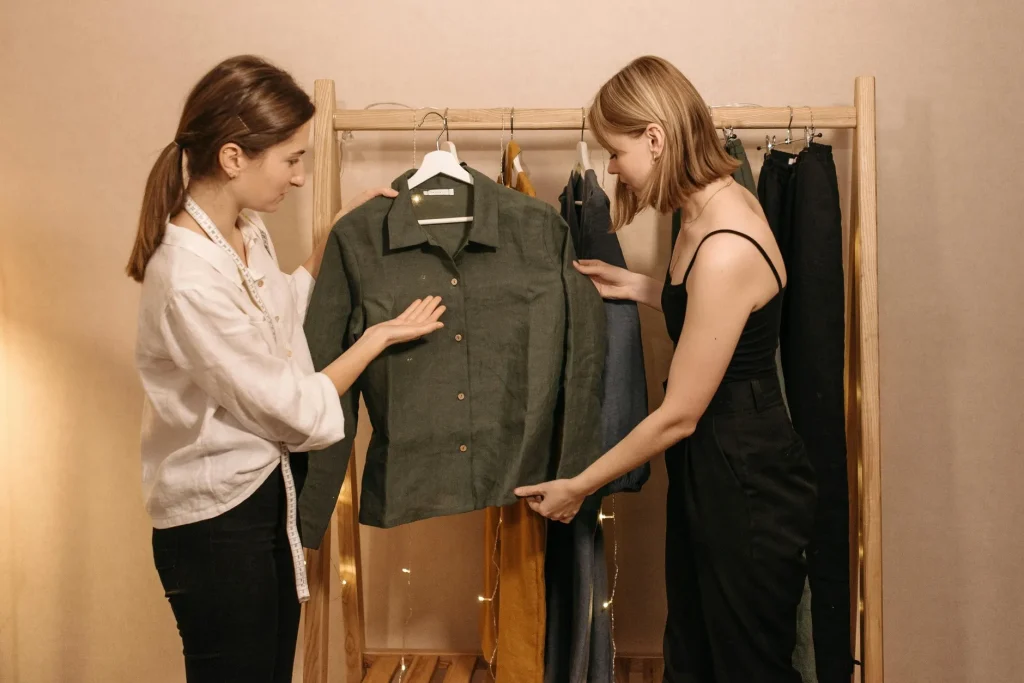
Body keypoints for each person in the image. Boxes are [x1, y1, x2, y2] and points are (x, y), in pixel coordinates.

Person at [126, 55, 445, 683]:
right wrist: (375, 338)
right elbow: (288, 405)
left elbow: (278, 321)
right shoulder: (187, 277)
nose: (298, 178)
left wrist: (333, 241)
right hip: (215, 522)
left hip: (267, 492)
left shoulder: (246, 230)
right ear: (233, 157)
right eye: (291, 160)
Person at [514, 55, 817, 682]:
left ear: (655, 137)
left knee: (742, 663)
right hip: (716, 465)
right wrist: (640, 286)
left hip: (747, 476)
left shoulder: (726, 243)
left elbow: (679, 414)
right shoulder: (701, 211)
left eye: (617, 153)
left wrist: (579, 485)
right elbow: (721, 317)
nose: (613, 170)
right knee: (695, 648)